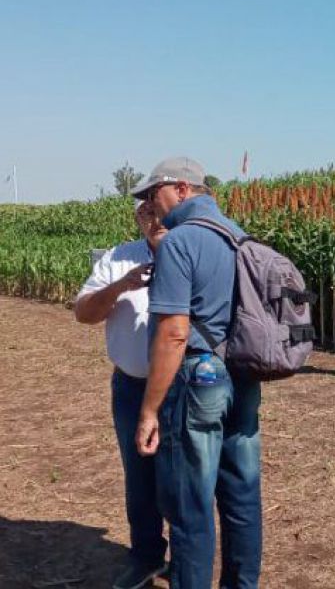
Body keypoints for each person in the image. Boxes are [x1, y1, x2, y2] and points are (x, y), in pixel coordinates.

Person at [130, 157, 263, 588]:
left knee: (189, 505)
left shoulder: (180, 242)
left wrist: (149, 410)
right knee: (241, 495)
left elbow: (173, 333)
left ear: (182, 189)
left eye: (155, 194)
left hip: (197, 380)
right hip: (242, 375)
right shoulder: (238, 235)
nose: (152, 204)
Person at [74, 200, 169, 589]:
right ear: (138, 218)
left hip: (182, 388)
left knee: (182, 478)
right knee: (139, 476)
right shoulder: (118, 257)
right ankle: (145, 556)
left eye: (161, 211)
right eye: (147, 213)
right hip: (131, 387)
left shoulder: (195, 253)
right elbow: (83, 313)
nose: (155, 220)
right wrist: (120, 285)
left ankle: (187, 561)